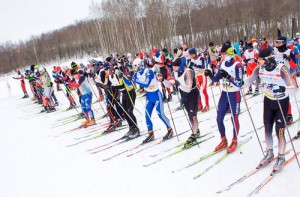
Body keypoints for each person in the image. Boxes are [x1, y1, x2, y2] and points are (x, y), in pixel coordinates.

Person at [244, 48, 298, 171]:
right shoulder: (259, 68)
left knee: (279, 130)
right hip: (268, 101)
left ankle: (281, 156)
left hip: (281, 102)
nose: (257, 61)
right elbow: (248, 81)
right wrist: (238, 79)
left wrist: (282, 89)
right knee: (267, 127)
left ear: (268, 59)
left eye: (259, 59)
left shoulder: (282, 68)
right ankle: (269, 152)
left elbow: (294, 88)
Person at [204, 41, 244, 153]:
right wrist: (210, 74)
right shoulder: (222, 64)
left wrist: (228, 76)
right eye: (221, 54)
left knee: (234, 118)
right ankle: (223, 139)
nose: (222, 56)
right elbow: (217, 79)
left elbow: (240, 83)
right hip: (224, 93)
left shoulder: (238, 65)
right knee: (219, 117)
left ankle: (235, 140)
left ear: (230, 53)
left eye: (224, 54)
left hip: (234, 94)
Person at [133, 59, 173, 144]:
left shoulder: (149, 72)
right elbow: (132, 82)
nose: (135, 69)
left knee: (160, 114)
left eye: (136, 66)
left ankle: (170, 130)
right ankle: (150, 133)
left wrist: (136, 80)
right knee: (147, 115)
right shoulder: (136, 73)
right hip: (149, 96)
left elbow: (146, 84)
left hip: (156, 95)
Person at [169, 57, 200, 148]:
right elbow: (171, 83)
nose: (173, 68)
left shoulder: (188, 71)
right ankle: (196, 130)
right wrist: (163, 80)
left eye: (175, 66)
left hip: (192, 94)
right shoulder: (175, 72)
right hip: (184, 95)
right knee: (189, 114)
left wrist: (177, 83)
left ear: (180, 65)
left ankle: (194, 135)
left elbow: (188, 87)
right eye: (173, 66)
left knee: (193, 114)